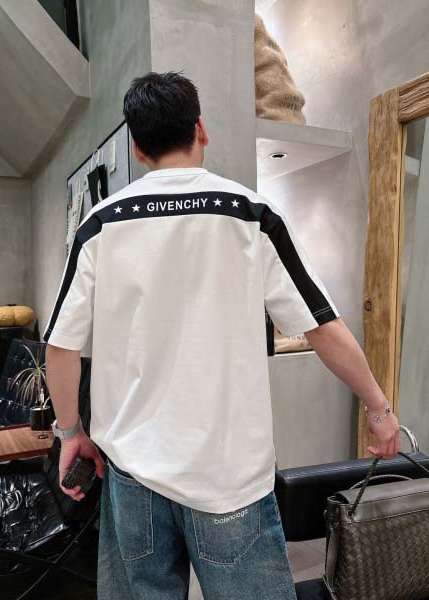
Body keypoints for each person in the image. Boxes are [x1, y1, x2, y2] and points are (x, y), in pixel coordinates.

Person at [44, 71, 400, 600]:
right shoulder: (251, 214)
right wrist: (378, 407)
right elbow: (322, 325)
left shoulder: (99, 225)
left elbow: (60, 345)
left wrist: (70, 432)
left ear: (137, 148)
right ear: (201, 130)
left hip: (134, 478)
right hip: (230, 478)